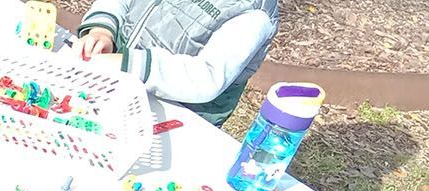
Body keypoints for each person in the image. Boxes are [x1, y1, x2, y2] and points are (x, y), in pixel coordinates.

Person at [73, 0, 280, 125]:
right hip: (116, 83)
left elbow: (206, 78)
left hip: (176, 118)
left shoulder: (253, 13)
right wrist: (103, 31)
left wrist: (129, 63)